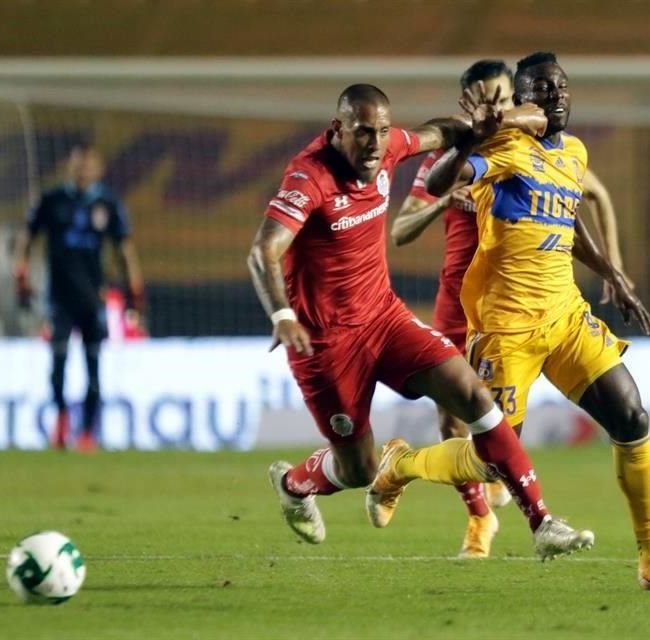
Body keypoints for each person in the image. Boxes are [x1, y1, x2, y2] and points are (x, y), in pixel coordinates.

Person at [370, 53, 650, 590]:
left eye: (561, 86)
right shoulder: (506, 150)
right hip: (507, 324)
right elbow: (442, 181)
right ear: (524, 98)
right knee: (493, 464)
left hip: (566, 317)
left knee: (632, 418)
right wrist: (467, 140)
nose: (554, 95)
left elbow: (571, 218)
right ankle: (401, 464)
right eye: (540, 88)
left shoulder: (573, 153)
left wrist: (612, 273)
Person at [248, 83, 595, 561]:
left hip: (385, 319)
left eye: (382, 132)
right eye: (363, 133)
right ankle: (294, 483)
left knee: (474, 396)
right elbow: (263, 250)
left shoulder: (391, 147)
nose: (374, 144)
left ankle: (543, 523)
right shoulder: (309, 178)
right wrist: (283, 315)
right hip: (325, 344)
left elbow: (437, 132)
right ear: (337, 129)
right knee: (359, 470)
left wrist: (477, 131)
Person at [390, 59, 633, 559]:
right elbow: (400, 230)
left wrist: (614, 269)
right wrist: (446, 199)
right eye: (483, 98)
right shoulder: (463, 154)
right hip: (460, 300)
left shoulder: (530, 148)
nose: (496, 107)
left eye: (501, 96)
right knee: (453, 423)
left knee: (492, 440)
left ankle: (419, 471)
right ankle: (480, 520)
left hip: (525, 304)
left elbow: (590, 201)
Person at [14, 143, 145, 452]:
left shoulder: (108, 205)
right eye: (77, 165)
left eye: (88, 166)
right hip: (58, 298)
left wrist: (134, 293)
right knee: (58, 361)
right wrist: (21, 277)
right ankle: (60, 418)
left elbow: (124, 251)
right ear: (69, 167)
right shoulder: (52, 201)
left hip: (93, 299)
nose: (82, 171)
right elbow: (26, 239)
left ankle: (87, 431)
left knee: (93, 366)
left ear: (98, 169)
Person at [0, 222, 46, 338]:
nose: (9, 251)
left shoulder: (34, 271)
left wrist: (32, 324)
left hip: (24, 329)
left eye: (14, 245)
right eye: (5, 245)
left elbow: (39, 305)